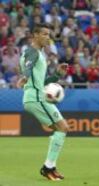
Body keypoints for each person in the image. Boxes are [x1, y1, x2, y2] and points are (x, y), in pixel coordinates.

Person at [16, 24, 69, 181]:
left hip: (38, 95)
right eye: (45, 34)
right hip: (36, 98)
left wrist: (57, 75)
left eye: (49, 34)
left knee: (61, 129)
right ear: (35, 35)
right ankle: (48, 168)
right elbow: (28, 66)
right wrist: (24, 77)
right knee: (62, 127)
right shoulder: (32, 52)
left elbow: (41, 81)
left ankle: (50, 167)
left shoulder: (38, 54)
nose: (48, 37)